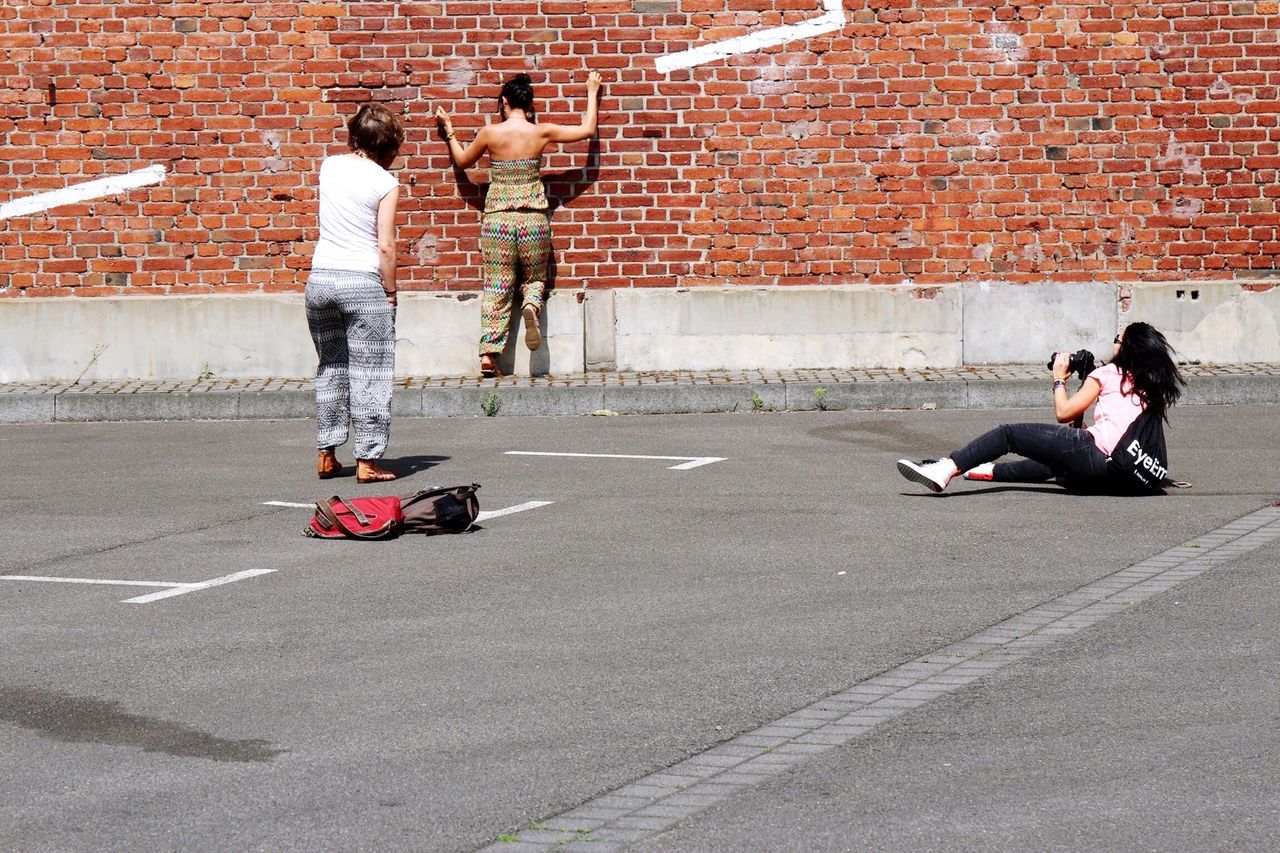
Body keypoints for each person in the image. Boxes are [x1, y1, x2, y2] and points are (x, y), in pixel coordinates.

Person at [435, 71, 602, 377]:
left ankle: (488, 354)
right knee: (535, 278)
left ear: (504, 102)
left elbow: (462, 162)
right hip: (533, 219)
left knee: (497, 285)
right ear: (530, 105)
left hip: (498, 221)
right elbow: (587, 129)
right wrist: (591, 91)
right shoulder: (542, 132)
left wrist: (449, 131)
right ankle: (531, 306)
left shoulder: (489, 133)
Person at [896, 322, 1185, 493]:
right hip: (1117, 478)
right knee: (1053, 459)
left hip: (1095, 462)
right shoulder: (1150, 388)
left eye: (1117, 339)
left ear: (1127, 348)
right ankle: (977, 469)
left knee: (1009, 434)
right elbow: (1089, 433)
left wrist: (1059, 379)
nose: (1114, 343)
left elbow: (1064, 413)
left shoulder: (1108, 373)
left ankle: (945, 469)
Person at [306, 103, 403, 484]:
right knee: (371, 373)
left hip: (321, 280)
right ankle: (368, 460)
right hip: (362, 284)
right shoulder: (386, 183)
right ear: (390, 144)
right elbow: (385, 247)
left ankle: (326, 454)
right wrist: (391, 292)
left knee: (331, 367)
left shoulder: (329, 166)